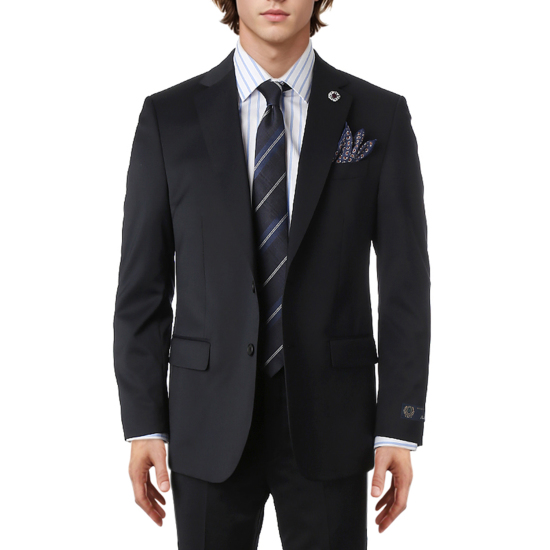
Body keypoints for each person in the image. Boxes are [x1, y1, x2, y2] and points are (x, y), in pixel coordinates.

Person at [113, 1, 431, 548]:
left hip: (332, 420)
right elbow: (142, 288)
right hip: (205, 417)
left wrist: (398, 428)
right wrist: (144, 423)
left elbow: (405, 287)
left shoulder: (379, 115)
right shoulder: (169, 117)